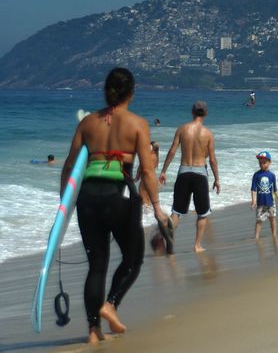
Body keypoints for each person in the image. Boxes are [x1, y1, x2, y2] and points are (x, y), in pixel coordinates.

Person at [60, 68, 169, 345]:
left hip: (87, 197)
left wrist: (64, 206)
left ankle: (93, 330)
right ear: (131, 92)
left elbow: (70, 166)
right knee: (133, 259)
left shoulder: (87, 124)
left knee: (96, 264)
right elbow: (146, 170)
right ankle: (110, 304)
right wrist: (156, 206)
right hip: (118, 195)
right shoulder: (137, 124)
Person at [159, 100, 220, 253]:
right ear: (205, 113)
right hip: (200, 173)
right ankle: (197, 245)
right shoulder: (208, 134)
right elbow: (212, 159)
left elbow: (172, 151)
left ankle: (168, 243)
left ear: (192, 112)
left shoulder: (182, 129)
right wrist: (217, 179)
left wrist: (163, 171)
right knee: (202, 213)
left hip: (184, 172)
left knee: (176, 212)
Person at [250, 151, 278, 238]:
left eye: (264, 162)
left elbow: (275, 189)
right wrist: (253, 201)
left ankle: (274, 235)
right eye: (260, 162)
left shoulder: (272, 175)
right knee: (259, 220)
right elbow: (253, 189)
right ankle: (256, 237)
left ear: (269, 162)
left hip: (271, 202)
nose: (262, 164)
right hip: (260, 203)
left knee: (272, 218)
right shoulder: (256, 175)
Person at [135, 141, 160, 206]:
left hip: (146, 178)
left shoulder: (148, 157)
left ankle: (146, 215)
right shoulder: (156, 157)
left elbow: (141, 167)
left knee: (143, 198)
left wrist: (137, 177)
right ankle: (150, 215)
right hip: (154, 179)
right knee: (148, 200)